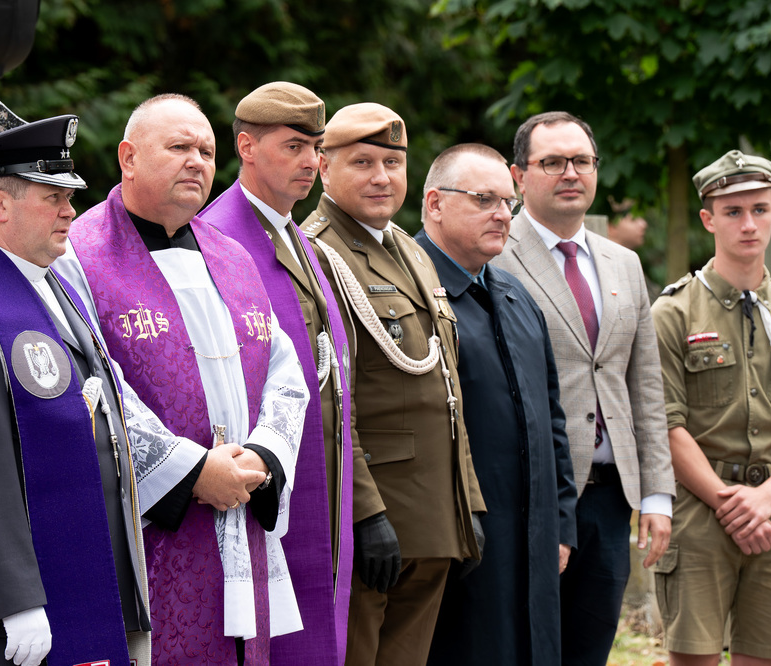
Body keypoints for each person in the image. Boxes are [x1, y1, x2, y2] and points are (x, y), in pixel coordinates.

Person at [54, 94, 308, 665]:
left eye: (207, 151)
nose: (197, 161)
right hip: (152, 525)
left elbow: (284, 371)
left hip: (243, 504)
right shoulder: (78, 254)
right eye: (178, 147)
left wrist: (264, 455)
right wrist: (192, 471)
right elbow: (89, 381)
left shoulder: (233, 256)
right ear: (128, 157)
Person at [0, 115, 151, 666]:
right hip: (8, 614)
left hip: (79, 580)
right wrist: (15, 595)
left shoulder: (54, 286)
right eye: (53, 197)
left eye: (70, 197)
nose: (70, 211)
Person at [300, 103, 485, 666]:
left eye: (393, 162)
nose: (382, 177)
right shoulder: (315, 255)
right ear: (324, 168)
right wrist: (363, 513)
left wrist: (468, 500)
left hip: (433, 514)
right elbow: (329, 402)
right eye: (363, 162)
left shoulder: (410, 251)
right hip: (374, 518)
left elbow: (446, 389)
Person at [491, 110, 674, 666]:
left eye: (581, 161)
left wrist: (657, 495)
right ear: (519, 175)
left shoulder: (623, 263)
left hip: (611, 497)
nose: (570, 173)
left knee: (590, 649)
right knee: (526, 647)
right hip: (531, 496)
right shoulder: (494, 253)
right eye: (552, 162)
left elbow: (645, 386)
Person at [201, 81, 366, 665]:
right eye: (294, 147)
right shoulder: (216, 237)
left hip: (323, 483)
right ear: (246, 147)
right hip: (258, 487)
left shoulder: (298, 237)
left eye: (316, 148)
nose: (311, 162)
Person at [651, 150, 771, 665]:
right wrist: (731, 504)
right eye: (732, 211)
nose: (748, 224)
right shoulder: (673, 313)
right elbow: (665, 424)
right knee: (694, 658)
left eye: (758, 209)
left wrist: (766, 497)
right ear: (708, 219)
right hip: (699, 511)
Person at [415, 143, 578, 665]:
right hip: (451, 547)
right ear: (435, 203)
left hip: (532, 543)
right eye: (484, 199)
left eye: (508, 202)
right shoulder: (406, 295)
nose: (503, 215)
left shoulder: (515, 295)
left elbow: (551, 419)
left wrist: (561, 524)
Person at [606, 196, 660, 300]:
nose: (643, 224)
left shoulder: (630, 264)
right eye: (633, 219)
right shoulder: (606, 269)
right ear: (611, 227)